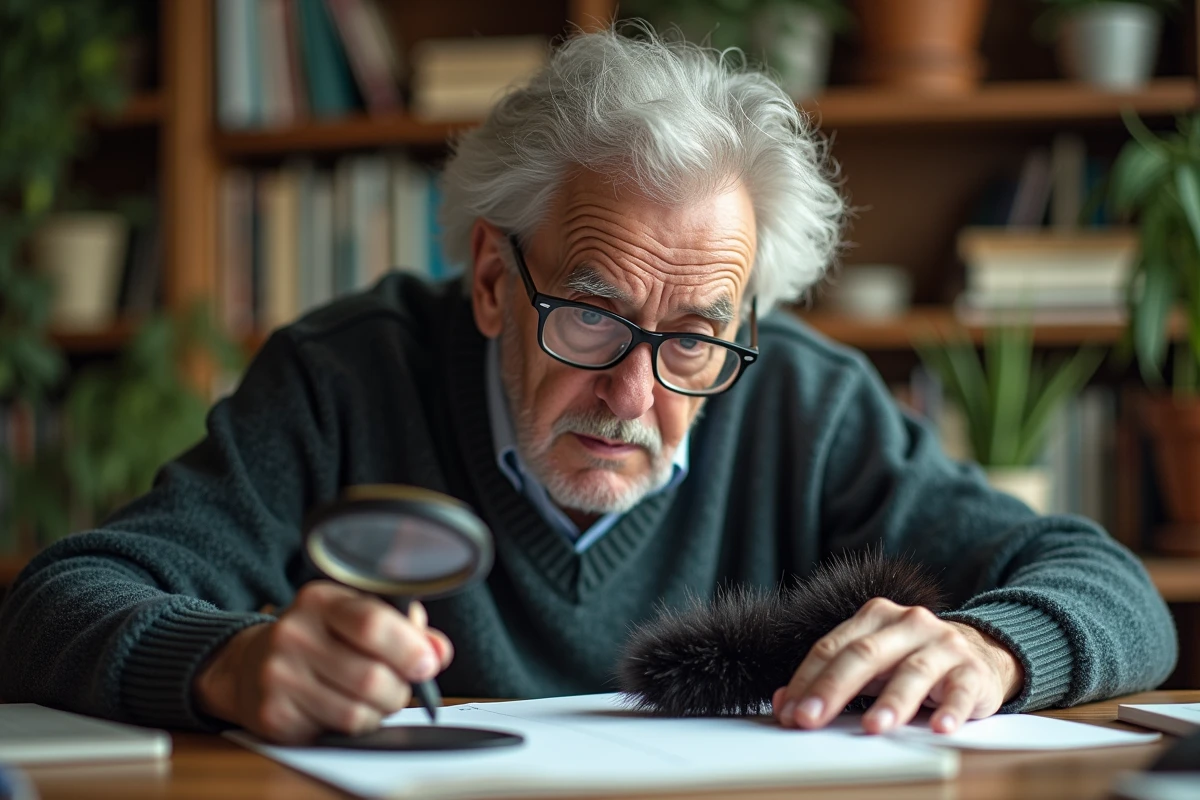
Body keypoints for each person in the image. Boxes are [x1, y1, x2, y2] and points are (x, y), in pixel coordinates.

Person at [0, 27, 1177, 745]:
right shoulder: (345, 377)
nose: (635, 391)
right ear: (494, 283)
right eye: (594, 314)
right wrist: (227, 661)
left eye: (695, 338)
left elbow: (1115, 591)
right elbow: (57, 601)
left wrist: (993, 647)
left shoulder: (808, 406)